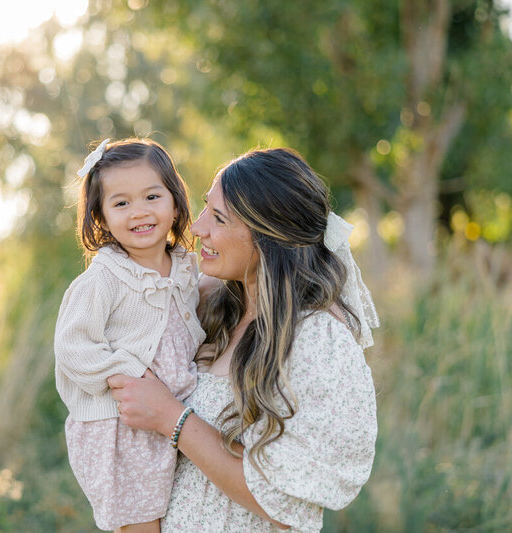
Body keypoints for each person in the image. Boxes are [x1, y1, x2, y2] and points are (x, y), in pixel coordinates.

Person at [108, 147, 380, 532]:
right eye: (205, 208)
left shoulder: (318, 341)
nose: (198, 227)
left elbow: (284, 499)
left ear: (270, 238)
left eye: (218, 218)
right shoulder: (212, 307)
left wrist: (171, 417)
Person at [54, 138, 206, 532]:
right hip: (119, 427)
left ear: (175, 203)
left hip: (166, 417)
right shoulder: (104, 278)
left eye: (152, 196)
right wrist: (128, 373)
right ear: (101, 217)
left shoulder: (189, 269)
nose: (139, 212)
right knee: (142, 525)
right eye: (121, 203)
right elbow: (73, 347)